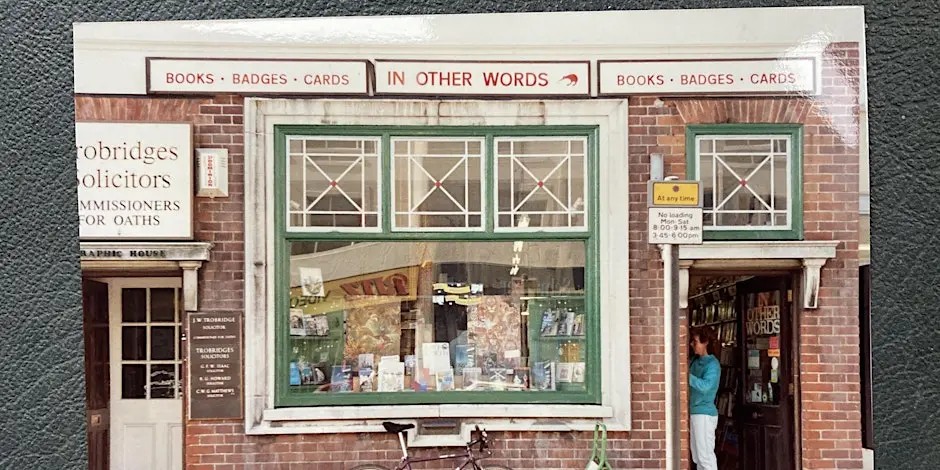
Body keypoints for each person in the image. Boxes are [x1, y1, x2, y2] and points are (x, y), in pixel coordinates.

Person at [689, 326, 721, 470]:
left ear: (705, 342)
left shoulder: (713, 365)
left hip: (704, 414)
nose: (692, 345)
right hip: (694, 412)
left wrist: (686, 376)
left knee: (705, 457)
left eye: (695, 342)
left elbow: (706, 386)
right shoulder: (694, 361)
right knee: (697, 456)